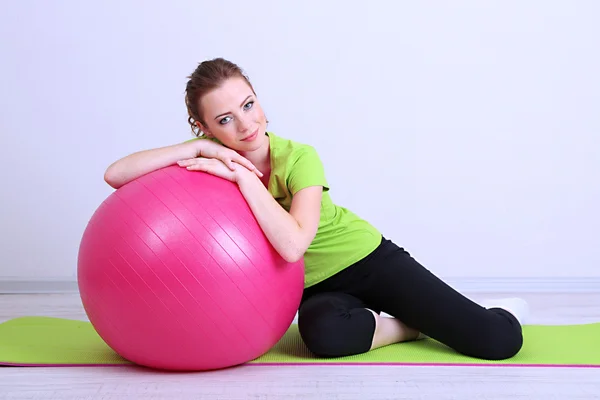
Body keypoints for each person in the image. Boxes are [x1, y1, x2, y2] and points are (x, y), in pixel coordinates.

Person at [104, 57, 530, 360]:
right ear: (205, 126)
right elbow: (117, 174)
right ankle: (408, 326)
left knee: (496, 343)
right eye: (225, 119)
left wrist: (243, 179)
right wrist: (196, 147)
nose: (246, 125)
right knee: (324, 336)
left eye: (249, 105)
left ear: (259, 99)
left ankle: (498, 311)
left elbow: (292, 244)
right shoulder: (211, 152)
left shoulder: (299, 157)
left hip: (367, 260)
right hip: (309, 286)